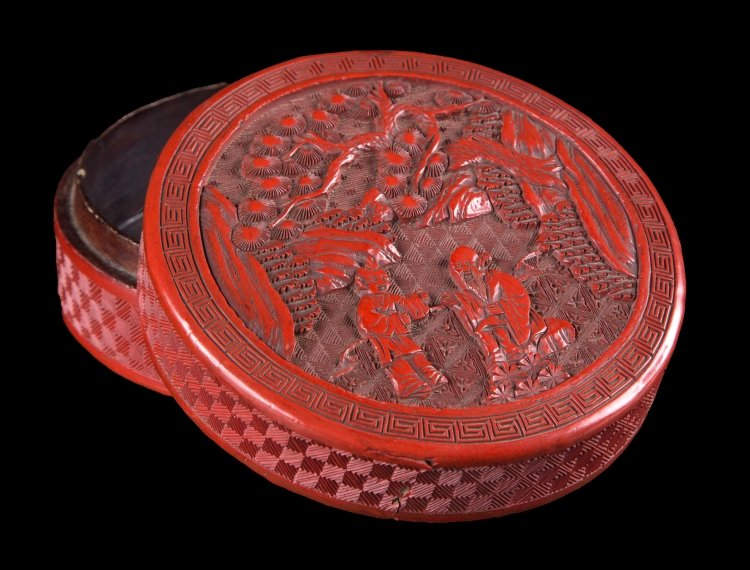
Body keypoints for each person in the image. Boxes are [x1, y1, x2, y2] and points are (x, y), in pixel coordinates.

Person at [438, 246, 575, 395]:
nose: (465, 274)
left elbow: (520, 297)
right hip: (494, 326)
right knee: (484, 327)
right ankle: (498, 361)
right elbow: (473, 312)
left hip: (514, 320)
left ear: (477, 265)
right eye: (459, 270)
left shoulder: (497, 277)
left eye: (467, 267)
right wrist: (458, 304)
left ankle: (514, 354)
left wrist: (502, 307)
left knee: (489, 325)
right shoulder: (468, 293)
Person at [351, 261, 447, 400]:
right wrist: (395, 319)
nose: (381, 283)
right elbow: (367, 321)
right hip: (384, 339)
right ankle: (409, 386)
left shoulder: (389, 297)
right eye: (374, 280)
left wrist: (418, 299)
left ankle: (432, 376)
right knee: (398, 361)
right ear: (362, 283)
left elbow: (405, 303)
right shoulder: (366, 301)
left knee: (416, 353)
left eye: (384, 279)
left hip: (401, 335)